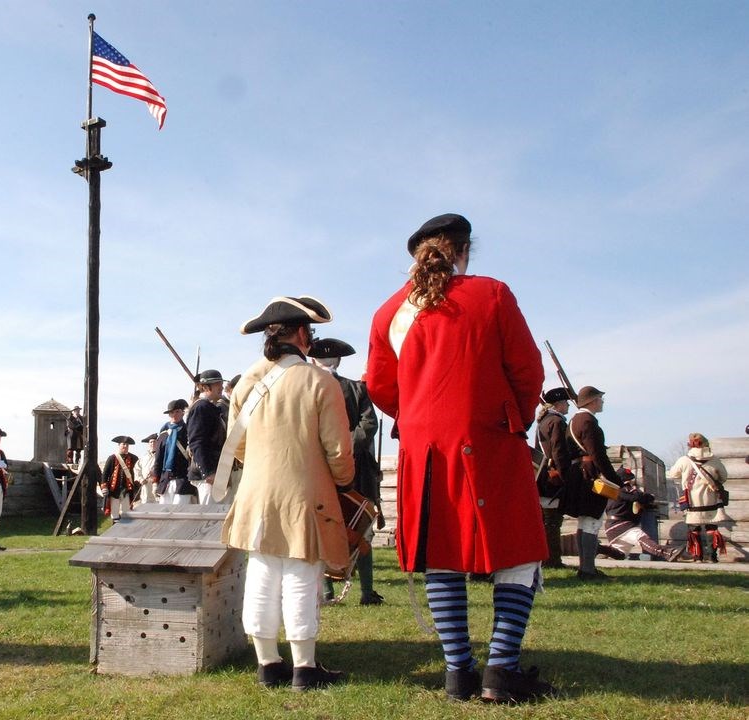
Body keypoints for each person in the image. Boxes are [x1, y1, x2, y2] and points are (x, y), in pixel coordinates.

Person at [367, 214, 555, 703]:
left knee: (440, 556)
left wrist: (421, 416)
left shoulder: (388, 312)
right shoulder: (491, 293)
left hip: (422, 445)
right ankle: (501, 670)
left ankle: (458, 672)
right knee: (518, 552)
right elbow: (526, 368)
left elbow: (382, 389)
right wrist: (514, 413)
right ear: (463, 250)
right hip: (489, 434)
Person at [221, 295, 354, 692]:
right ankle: (305, 669)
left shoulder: (246, 382)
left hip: (256, 494)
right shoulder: (319, 381)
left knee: (261, 575)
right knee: (300, 576)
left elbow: (236, 446)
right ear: (301, 334)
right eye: (310, 332)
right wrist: (344, 482)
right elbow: (338, 451)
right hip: (304, 495)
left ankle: (268, 665)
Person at [310, 338, 385, 606]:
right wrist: (346, 449)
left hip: (328, 468)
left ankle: (349, 592)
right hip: (352, 467)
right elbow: (367, 425)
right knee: (355, 529)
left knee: (333, 527)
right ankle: (361, 592)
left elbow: (368, 423)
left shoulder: (316, 389)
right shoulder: (353, 388)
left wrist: (336, 450)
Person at [567, 385, 622, 580]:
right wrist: (615, 479)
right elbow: (597, 454)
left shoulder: (574, 420)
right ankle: (587, 570)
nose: (602, 402)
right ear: (592, 401)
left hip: (580, 474)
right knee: (591, 521)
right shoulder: (588, 421)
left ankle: (585, 567)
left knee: (584, 522)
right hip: (590, 475)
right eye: (599, 398)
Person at [668, 433, 730, 562]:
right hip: (711, 499)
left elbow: (673, 474)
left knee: (693, 528)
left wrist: (684, 478)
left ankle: (697, 556)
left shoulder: (684, 460)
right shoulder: (715, 460)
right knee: (711, 528)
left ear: (690, 445)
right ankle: (712, 556)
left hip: (691, 501)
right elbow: (723, 477)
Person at [534, 387, 575, 569]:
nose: (567, 406)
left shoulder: (544, 421)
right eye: (565, 403)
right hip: (553, 477)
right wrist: (566, 475)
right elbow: (559, 451)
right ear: (558, 404)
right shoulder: (557, 422)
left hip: (544, 475)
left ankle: (546, 558)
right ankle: (552, 560)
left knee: (548, 520)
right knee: (553, 522)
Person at [604, 469, 682, 561]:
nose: (631, 482)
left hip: (613, 526)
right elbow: (638, 497)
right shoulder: (624, 489)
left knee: (620, 554)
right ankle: (667, 553)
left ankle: (598, 549)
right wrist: (651, 497)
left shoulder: (613, 491)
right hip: (622, 525)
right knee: (641, 538)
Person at [187, 369, 228, 504]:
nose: (221, 387)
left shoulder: (211, 407)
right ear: (205, 387)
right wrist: (208, 472)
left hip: (216, 471)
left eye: (221, 383)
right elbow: (197, 442)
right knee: (209, 518)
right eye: (217, 384)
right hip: (208, 475)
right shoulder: (201, 407)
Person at [153, 399, 193, 504]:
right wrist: (155, 481)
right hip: (165, 479)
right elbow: (158, 459)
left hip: (183, 479)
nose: (174, 414)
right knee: (164, 513)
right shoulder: (164, 434)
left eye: (177, 411)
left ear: (183, 413)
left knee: (181, 512)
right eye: (171, 412)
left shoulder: (189, 431)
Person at [101, 436, 140, 519]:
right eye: (123, 444)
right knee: (114, 512)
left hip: (127, 490)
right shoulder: (112, 458)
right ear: (119, 445)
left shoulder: (134, 458)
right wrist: (104, 487)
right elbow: (105, 473)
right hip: (114, 490)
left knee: (126, 513)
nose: (125, 446)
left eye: (127, 445)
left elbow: (137, 472)